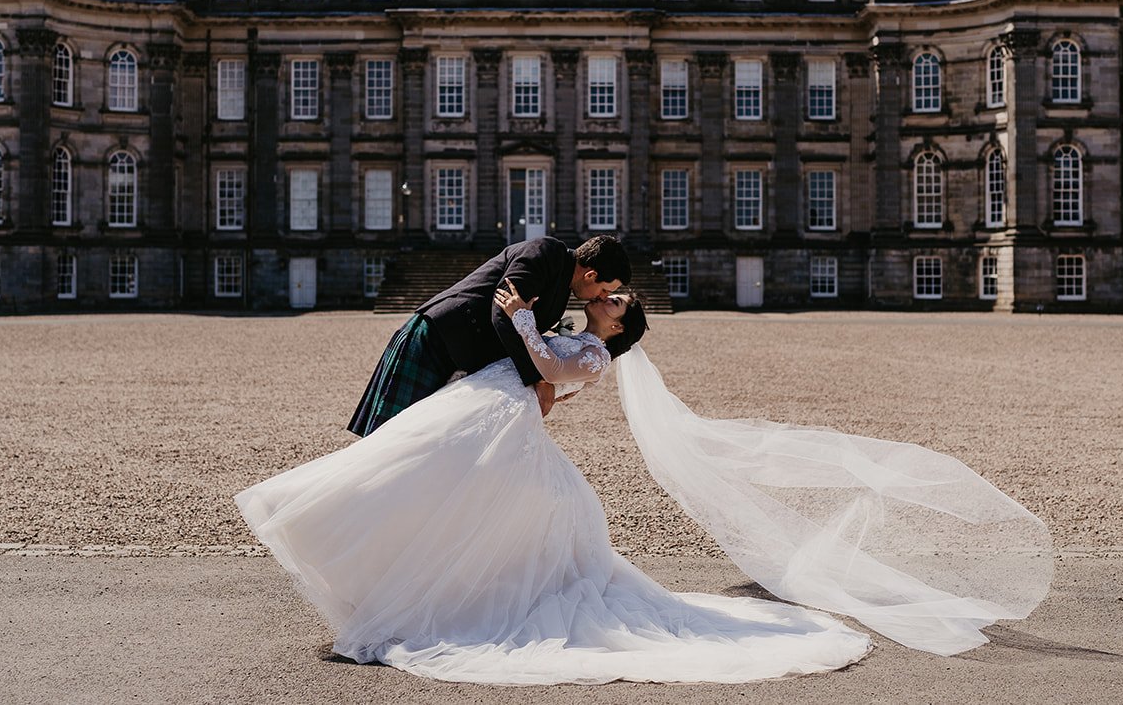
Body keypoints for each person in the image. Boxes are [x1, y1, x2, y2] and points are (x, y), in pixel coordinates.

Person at [237, 283, 884, 684]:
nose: (609, 297)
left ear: (618, 328)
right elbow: (543, 380)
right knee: (418, 476)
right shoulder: (581, 338)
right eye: (612, 293)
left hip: (505, 416)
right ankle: (379, 564)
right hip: (493, 409)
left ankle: (422, 592)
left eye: (618, 302)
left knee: (455, 500)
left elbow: (548, 369)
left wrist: (521, 317)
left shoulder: (595, 354)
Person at [347, 235, 629, 436]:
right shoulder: (545, 252)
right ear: (590, 275)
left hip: (461, 352)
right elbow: (502, 313)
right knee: (388, 434)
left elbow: (525, 332)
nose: (602, 297)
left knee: (421, 436)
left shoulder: (563, 285)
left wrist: (565, 377)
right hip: (437, 337)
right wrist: (537, 379)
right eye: (605, 289)